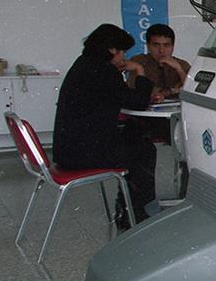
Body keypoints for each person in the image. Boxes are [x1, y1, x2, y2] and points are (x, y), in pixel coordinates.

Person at [53, 24, 156, 230]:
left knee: (135, 137)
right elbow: (138, 102)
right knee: (144, 150)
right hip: (81, 154)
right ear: (111, 49)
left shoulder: (84, 63)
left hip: (69, 149)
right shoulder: (104, 71)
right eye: (122, 52)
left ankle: (128, 206)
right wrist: (139, 70)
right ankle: (135, 213)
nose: (123, 57)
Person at [129, 23, 191, 102]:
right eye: (156, 45)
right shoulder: (138, 61)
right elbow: (138, 89)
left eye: (166, 45)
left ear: (172, 47)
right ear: (148, 46)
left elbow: (193, 91)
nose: (161, 50)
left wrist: (179, 70)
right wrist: (172, 90)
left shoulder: (181, 64)